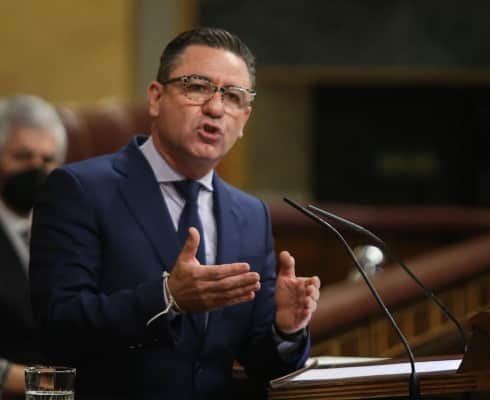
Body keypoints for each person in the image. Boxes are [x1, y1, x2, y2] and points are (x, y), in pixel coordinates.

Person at [29, 27, 320, 399]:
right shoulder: (81, 189)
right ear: (156, 98)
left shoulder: (251, 215)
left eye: (232, 97)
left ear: (244, 119)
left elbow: (261, 363)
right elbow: (58, 328)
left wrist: (286, 328)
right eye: (197, 87)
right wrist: (167, 298)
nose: (215, 108)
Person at [0, 95, 67, 398]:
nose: (36, 168)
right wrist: (52, 385)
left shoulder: (72, 229)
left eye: (47, 160)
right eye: (23, 156)